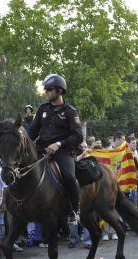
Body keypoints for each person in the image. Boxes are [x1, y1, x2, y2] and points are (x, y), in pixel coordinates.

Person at [27, 73, 83, 225]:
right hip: (42, 150)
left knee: (70, 176)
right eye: (45, 89)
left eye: (49, 89)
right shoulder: (42, 109)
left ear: (59, 91)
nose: (46, 92)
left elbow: (78, 136)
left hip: (63, 151)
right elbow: (32, 131)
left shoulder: (70, 111)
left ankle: (75, 211)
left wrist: (58, 144)